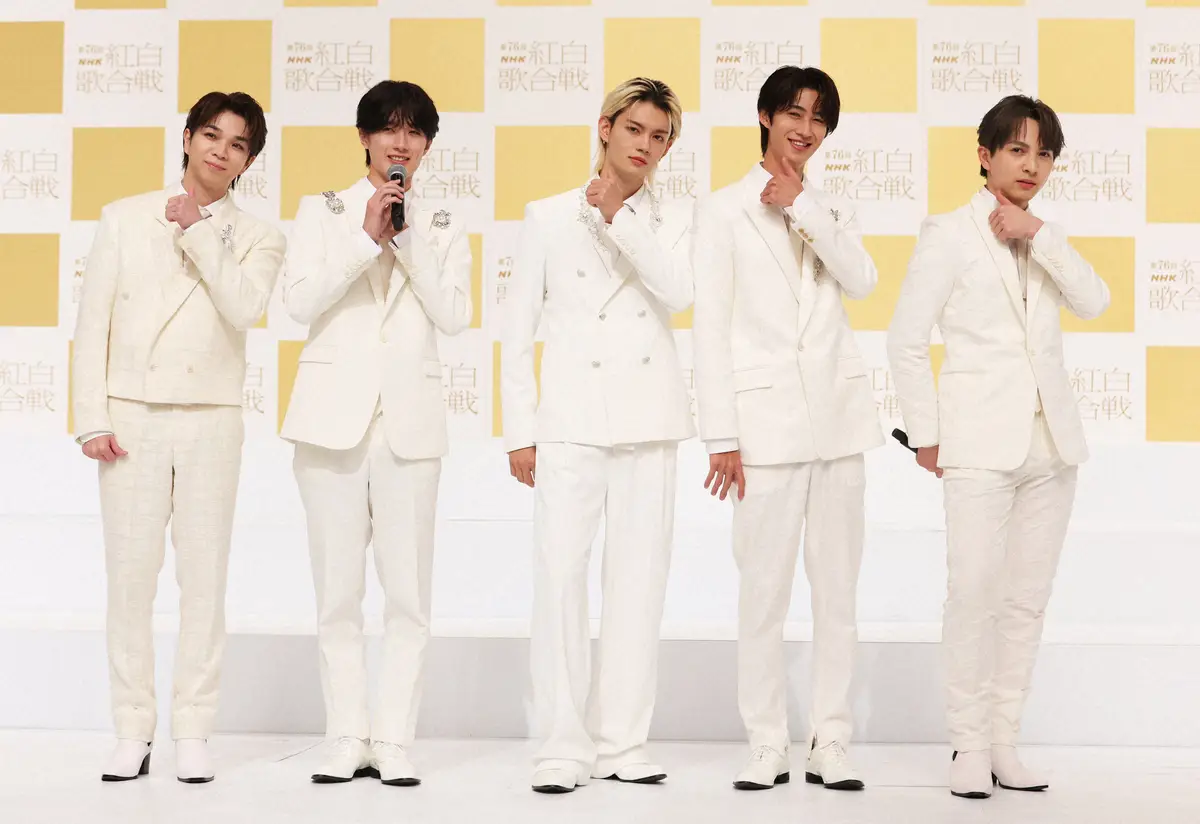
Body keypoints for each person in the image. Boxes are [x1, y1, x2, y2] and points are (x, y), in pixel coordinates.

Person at [886, 94, 1110, 799]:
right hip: (978, 444)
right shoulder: (947, 234)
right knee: (974, 595)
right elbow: (905, 339)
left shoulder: (1046, 235)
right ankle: (969, 744)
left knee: (1026, 601)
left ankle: (1005, 741)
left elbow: (1095, 302)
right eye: (1017, 149)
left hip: (1052, 446)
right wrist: (926, 435)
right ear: (985, 155)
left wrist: (1037, 233)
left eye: (1044, 154)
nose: (1031, 165)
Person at [72, 91, 284, 784]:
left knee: (204, 579)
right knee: (130, 579)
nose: (221, 152)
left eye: (238, 144)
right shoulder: (124, 217)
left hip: (210, 418)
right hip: (131, 416)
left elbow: (245, 307)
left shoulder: (258, 236)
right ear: (188, 138)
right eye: (212, 136)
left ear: (248, 161)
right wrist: (93, 416)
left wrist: (199, 231)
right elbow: (93, 322)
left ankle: (193, 727)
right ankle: (132, 728)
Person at [691, 65, 882, 792]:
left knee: (838, 595)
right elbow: (710, 329)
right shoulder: (722, 211)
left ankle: (831, 740)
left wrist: (802, 206)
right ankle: (766, 741)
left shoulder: (829, 207)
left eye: (819, 118)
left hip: (839, 424)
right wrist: (721, 437)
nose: (806, 129)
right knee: (762, 594)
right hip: (763, 428)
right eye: (794, 113)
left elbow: (862, 281)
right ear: (766, 116)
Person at [501, 77, 694, 794]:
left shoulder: (677, 217)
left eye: (660, 137)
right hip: (569, 420)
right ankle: (561, 743)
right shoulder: (548, 216)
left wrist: (620, 219)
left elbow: (679, 292)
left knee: (639, 585)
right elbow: (516, 331)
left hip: (649, 419)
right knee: (559, 582)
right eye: (635, 129)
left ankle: (622, 742)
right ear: (606, 127)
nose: (646, 145)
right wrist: (520, 431)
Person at [280, 80, 472, 786]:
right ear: (364, 138)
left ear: (427, 145)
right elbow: (299, 301)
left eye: (415, 131)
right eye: (389, 129)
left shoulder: (443, 221)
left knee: (408, 597)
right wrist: (365, 239)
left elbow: (454, 315)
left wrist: (409, 238)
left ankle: (392, 740)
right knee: (337, 594)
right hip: (331, 421)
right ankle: (345, 736)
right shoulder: (323, 210)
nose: (401, 142)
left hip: (409, 426)